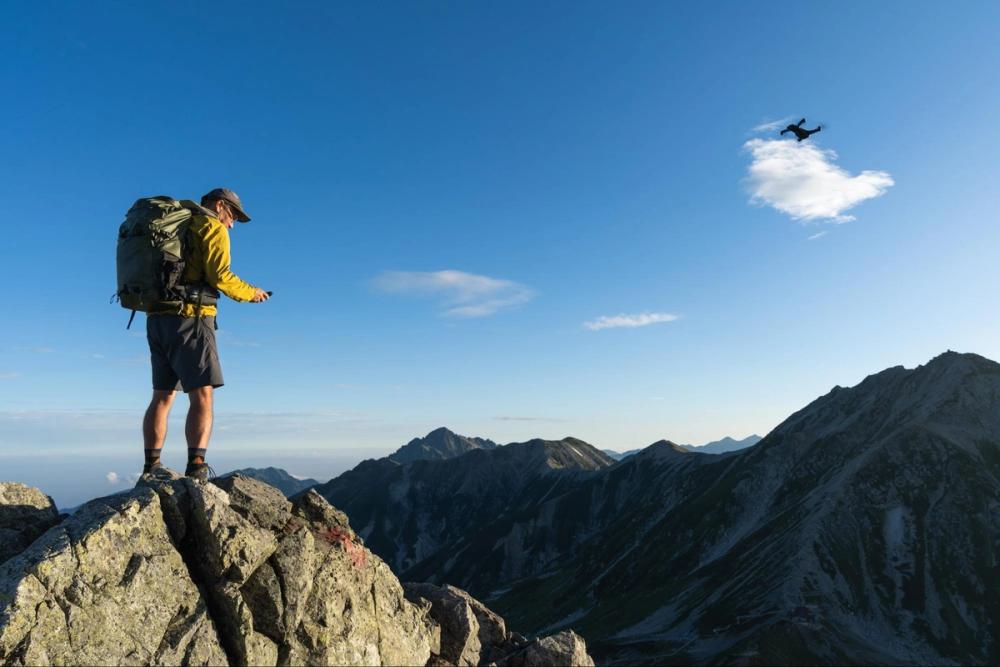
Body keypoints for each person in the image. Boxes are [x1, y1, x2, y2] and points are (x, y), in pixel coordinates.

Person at [142, 188, 269, 481]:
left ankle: (151, 468)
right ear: (220, 205)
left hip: (157, 318)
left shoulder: (178, 225)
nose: (232, 223)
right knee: (202, 396)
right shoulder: (211, 226)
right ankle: (196, 467)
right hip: (192, 319)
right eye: (233, 214)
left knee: (161, 396)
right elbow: (220, 276)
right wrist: (252, 293)